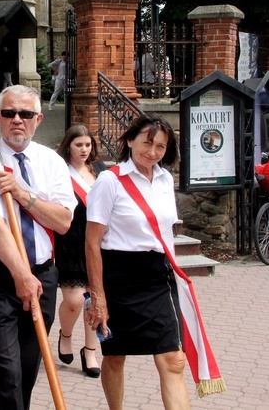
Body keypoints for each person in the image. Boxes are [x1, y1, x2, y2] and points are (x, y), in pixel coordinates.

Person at [0, 85, 76, 409]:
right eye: (10, 113)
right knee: (9, 372)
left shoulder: (52, 163)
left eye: (25, 114)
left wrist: (23, 194)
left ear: (38, 119)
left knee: (28, 370)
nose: (18, 120)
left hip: (43, 276)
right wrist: (21, 275)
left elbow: (63, 221)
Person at [85, 113, 190, 409]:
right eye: (147, 142)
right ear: (129, 140)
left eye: (160, 146)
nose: (153, 151)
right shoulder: (109, 181)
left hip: (157, 277)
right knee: (115, 357)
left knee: (173, 359)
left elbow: (166, 230)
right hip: (117, 278)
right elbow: (92, 242)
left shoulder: (166, 179)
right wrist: (98, 297)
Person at [54, 125, 106, 378]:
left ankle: (90, 351)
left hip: (97, 243)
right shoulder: (60, 173)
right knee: (75, 301)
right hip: (70, 242)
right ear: (68, 146)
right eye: (79, 145)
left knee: (93, 301)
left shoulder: (100, 171)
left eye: (88, 145)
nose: (84, 150)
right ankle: (65, 334)